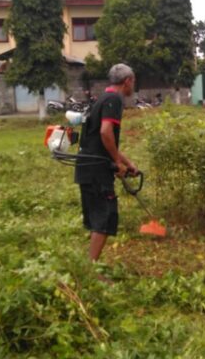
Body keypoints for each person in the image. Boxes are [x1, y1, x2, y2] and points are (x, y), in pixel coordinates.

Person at [75, 64, 138, 262]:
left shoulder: (103, 97)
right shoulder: (114, 99)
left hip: (87, 165)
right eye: (133, 82)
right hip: (96, 169)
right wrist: (116, 163)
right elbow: (105, 132)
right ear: (127, 81)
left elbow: (101, 140)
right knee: (104, 217)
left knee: (98, 216)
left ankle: (89, 263)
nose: (133, 86)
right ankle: (91, 269)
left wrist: (127, 163)